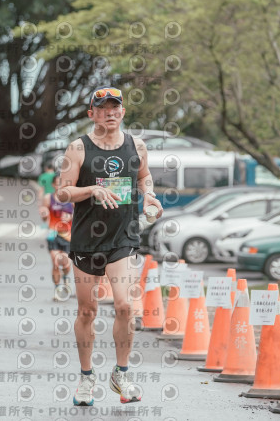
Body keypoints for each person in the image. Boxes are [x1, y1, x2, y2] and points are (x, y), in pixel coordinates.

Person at [57, 86, 163, 406]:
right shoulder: (78, 148)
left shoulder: (137, 145)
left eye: (115, 107)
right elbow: (63, 192)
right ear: (92, 114)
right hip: (86, 241)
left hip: (123, 237)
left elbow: (144, 176)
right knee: (87, 311)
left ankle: (121, 373)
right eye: (102, 108)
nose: (110, 113)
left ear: (123, 112)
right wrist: (91, 190)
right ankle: (86, 377)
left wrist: (149, 195)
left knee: (125, 305)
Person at [40, 172, 74, 301]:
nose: (60, 185)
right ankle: (57, 289)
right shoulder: (48, 198)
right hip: (53, 234)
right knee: (55, 263)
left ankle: (65, 277)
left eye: (63, 183)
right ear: (53, 185)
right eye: (58, 183)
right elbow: (44, 217)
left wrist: (70, 217)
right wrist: (44, 215)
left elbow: (79, 216)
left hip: (68, 236)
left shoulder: (72, 198)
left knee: (65, 264)